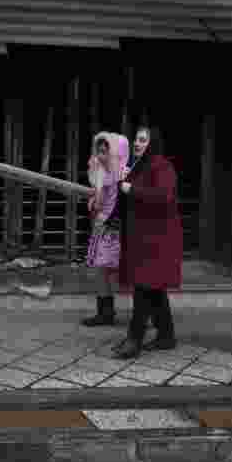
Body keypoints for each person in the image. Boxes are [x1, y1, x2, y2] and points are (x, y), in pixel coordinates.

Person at [112, 126, 183, 360]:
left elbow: (163, 196)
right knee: (154, 289)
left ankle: (134, 340)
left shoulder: (162, 166)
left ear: (152, 143)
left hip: (157, 240)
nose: (137, 144)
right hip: (142, 238)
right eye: (136, 140)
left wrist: (131, 188)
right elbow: (129, 198)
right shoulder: (139, 166)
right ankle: (166, 336)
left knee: (143, 288)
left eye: (142, 140)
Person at [81, 132, 129, 327]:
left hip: (116, 229)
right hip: (103, 228)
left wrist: (96, 197)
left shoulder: (123, 174)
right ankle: (105, 313)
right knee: (102, 271)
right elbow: (97, 204)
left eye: (105, 152)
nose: (101, 156)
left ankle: (148, 312)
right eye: (99, 151)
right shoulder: (100, 172)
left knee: (123, 273)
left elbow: (108, 203)